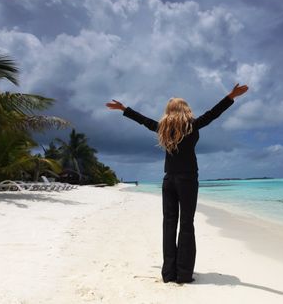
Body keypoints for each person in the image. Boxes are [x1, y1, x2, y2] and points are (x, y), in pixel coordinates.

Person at [105, 84, 248, 284]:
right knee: (186, 225)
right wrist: (231, 96)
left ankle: (168, 273)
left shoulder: (163, 128)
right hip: (188, 180)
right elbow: (213, 113)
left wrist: (124, 109)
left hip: (168, 180)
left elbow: (144, 121)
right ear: (185, 109)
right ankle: (183, 273)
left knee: (169, 225)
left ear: (169, 110)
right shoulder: (193, 125)